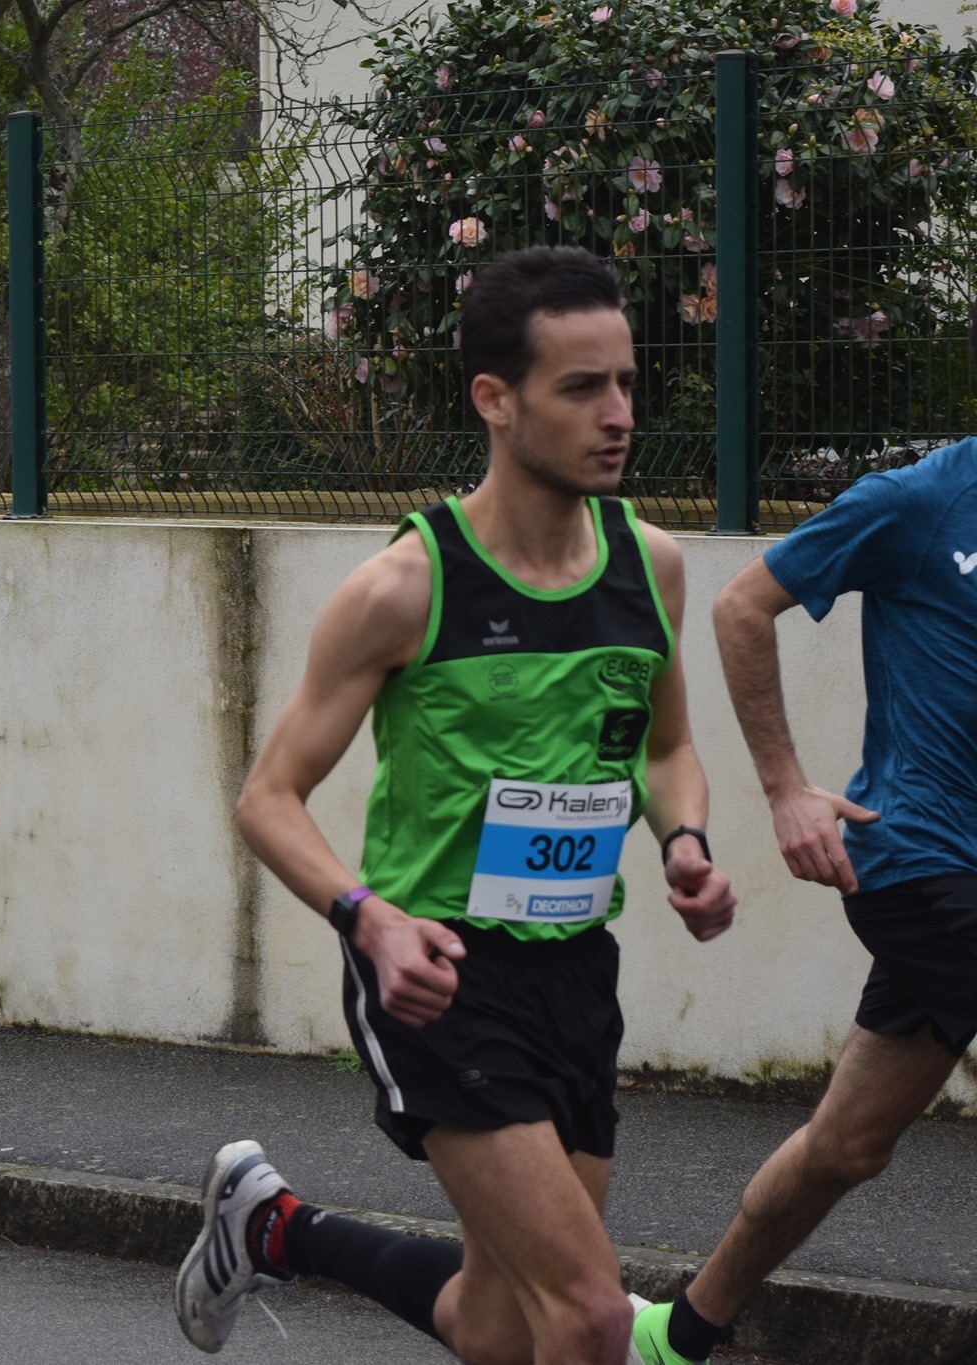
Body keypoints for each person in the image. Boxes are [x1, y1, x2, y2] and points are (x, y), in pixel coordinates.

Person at [173, 247, 737, 1365]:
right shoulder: (407, 586)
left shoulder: (651, 565)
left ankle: (271, 1227)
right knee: (589, 1318)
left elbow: (667, 747)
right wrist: (369, 922)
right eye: (582, 388)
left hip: (576, 969)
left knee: (498, 1322)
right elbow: (268, 797)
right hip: (438, 973)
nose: (618, 415)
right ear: (494, 398)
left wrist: (683, 838)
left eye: (626, 383)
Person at [626, 332, 977, 1364]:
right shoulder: (922, 499)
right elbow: (743, 604)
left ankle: (676, 1335)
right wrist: (784, 789)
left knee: (848, 1144)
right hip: (922, 860)